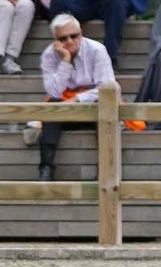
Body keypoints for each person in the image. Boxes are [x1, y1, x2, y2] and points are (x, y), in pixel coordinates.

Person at [35, 14, 114, 182]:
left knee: (105, 105)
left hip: (94, 106)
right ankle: (46, 168)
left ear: (81, 33)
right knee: (52, 106)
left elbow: (106, 87)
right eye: (63, 38)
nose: (70, 41)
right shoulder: (49, 55)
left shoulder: (97, 50)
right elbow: (54, 92)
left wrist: (78, 99)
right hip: (65, 107)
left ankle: (106, 170)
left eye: (74, 36)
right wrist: (65, 60)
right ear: (55, 39)